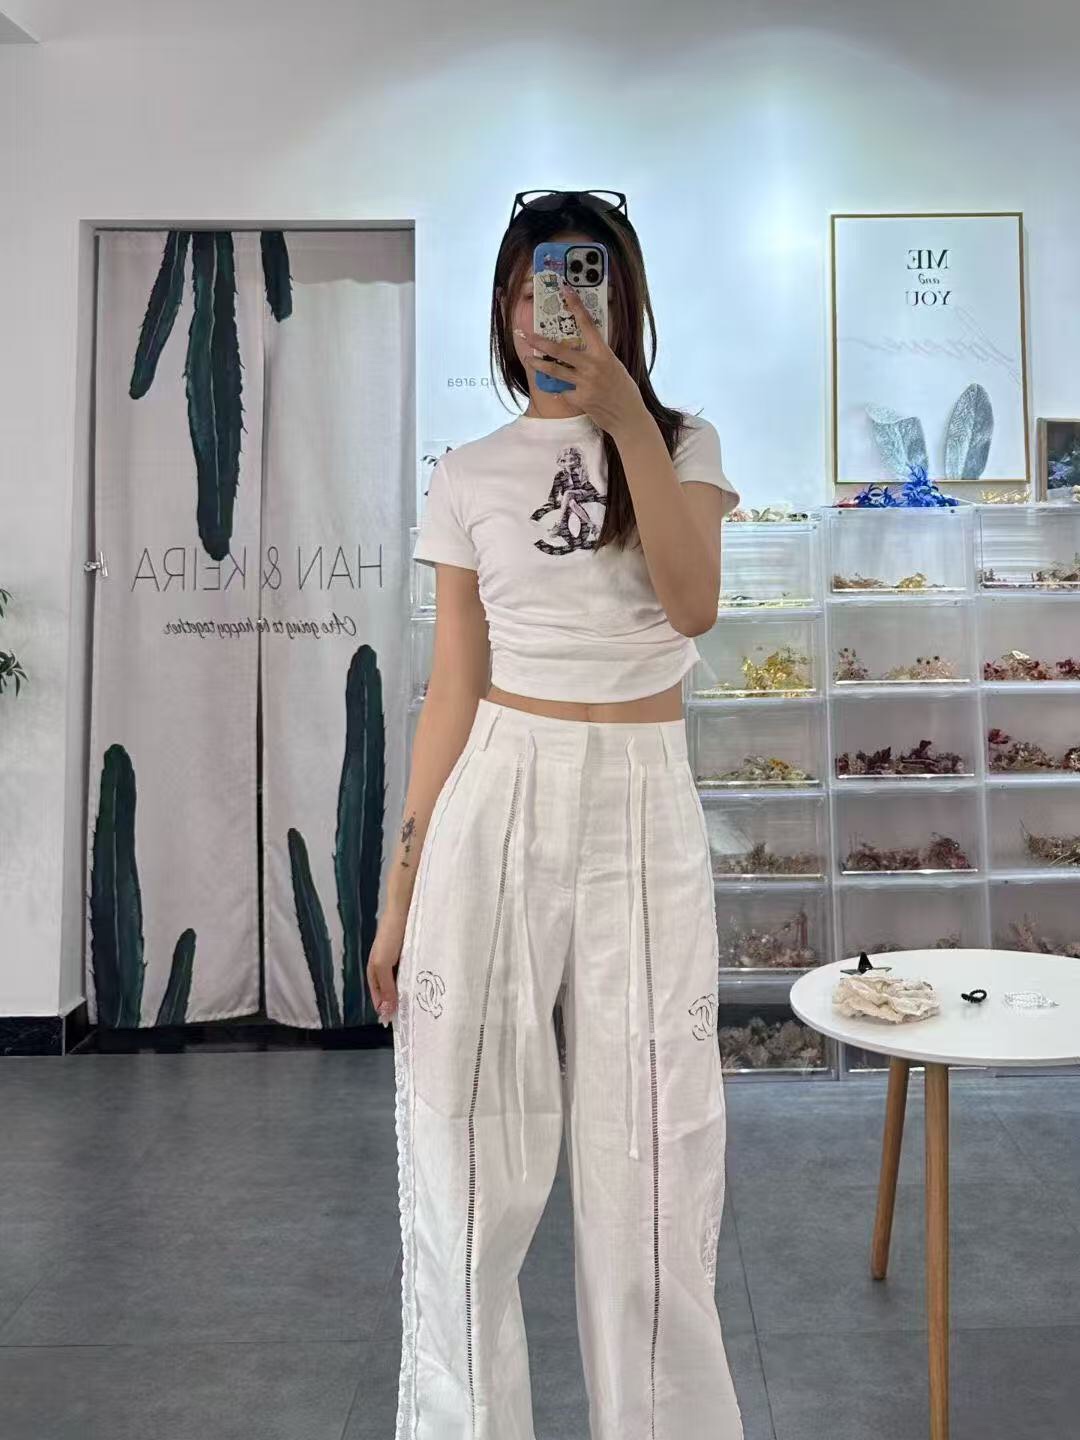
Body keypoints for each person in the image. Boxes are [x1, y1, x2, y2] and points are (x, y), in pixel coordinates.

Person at [368, 190, 744, 1440]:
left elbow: (692, 606)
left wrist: (626, 417)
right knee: (468, 1153)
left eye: (585, 283)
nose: (556, 310)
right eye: (537, 286)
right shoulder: (468, 474)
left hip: (643, 797)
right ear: (506, 305)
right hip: (499, 791)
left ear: (623, 302)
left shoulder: (682, 444)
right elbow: (452, 689)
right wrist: (400, 894)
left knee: (655, 1155)